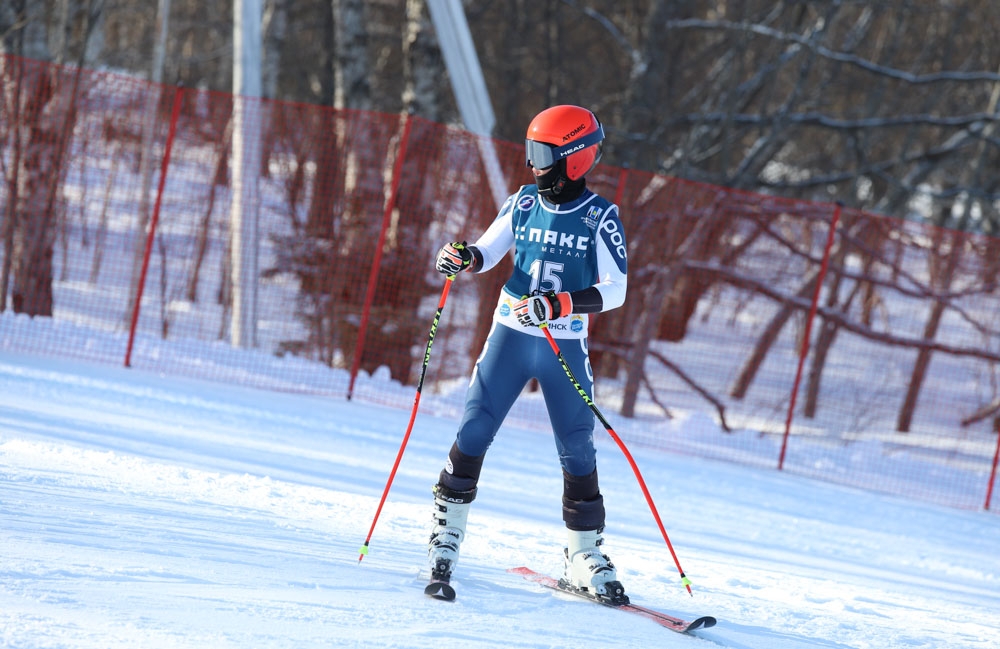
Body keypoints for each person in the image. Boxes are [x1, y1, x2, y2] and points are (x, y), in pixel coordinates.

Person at [427, 105, 629, 604]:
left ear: (575, 159)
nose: (534, 166)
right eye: (531, 153)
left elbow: (617, 290)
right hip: (511, 339)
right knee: (475, 428)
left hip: (563, 346)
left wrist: (561, 302)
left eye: (544, 155)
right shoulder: (521, 203)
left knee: (578, 446)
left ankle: (584, 554)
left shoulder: (600, 217)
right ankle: (446, 534)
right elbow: (488, 251)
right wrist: (463, 257)